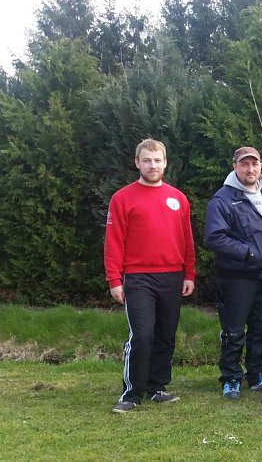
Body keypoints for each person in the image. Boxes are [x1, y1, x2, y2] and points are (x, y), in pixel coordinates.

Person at [105, 138, 196, 414]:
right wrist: (114, 280)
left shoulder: (178, 198)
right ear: (137, 163)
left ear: (165, 163)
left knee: (166, 335)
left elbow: (187, 240)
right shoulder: (122, 198)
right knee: (142, 335)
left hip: (173, 276)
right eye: (147, 160)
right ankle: (131, 392)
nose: (152, 165)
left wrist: (189, 273)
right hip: (138, 277)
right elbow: (113, 241)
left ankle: (157, 387)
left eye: (157, 160)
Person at [205, 146, 262, 398]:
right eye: (244, 164)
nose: (250, 169)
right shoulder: (223, 199)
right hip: (236, 276)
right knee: (234, 330)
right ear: (235, 166)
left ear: (261, 166)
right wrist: (248, 252)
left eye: (254, 164)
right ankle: (230, 378)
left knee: (261, 328)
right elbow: (215, 238)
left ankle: (258, 375)